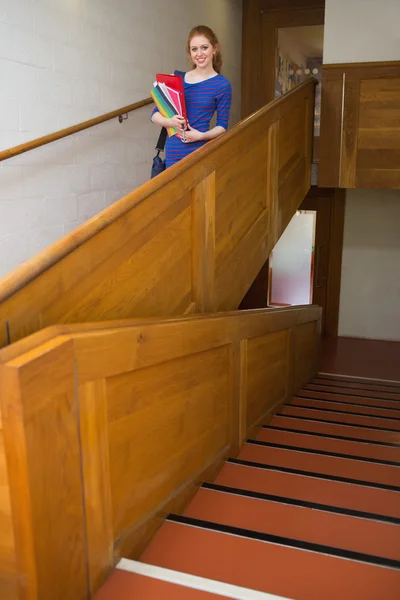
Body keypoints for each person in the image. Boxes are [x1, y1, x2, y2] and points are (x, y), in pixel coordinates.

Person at [151, 25, 232, 168]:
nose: (199, 53)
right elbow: (154, 115)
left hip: (199, 150)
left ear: (215, 49)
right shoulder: (177, 79)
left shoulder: (222, 85)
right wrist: (170, 122)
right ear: (190, 52)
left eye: (204, 47)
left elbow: (222, 126)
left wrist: (200, 136)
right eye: (194, 49)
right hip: (173, 151)